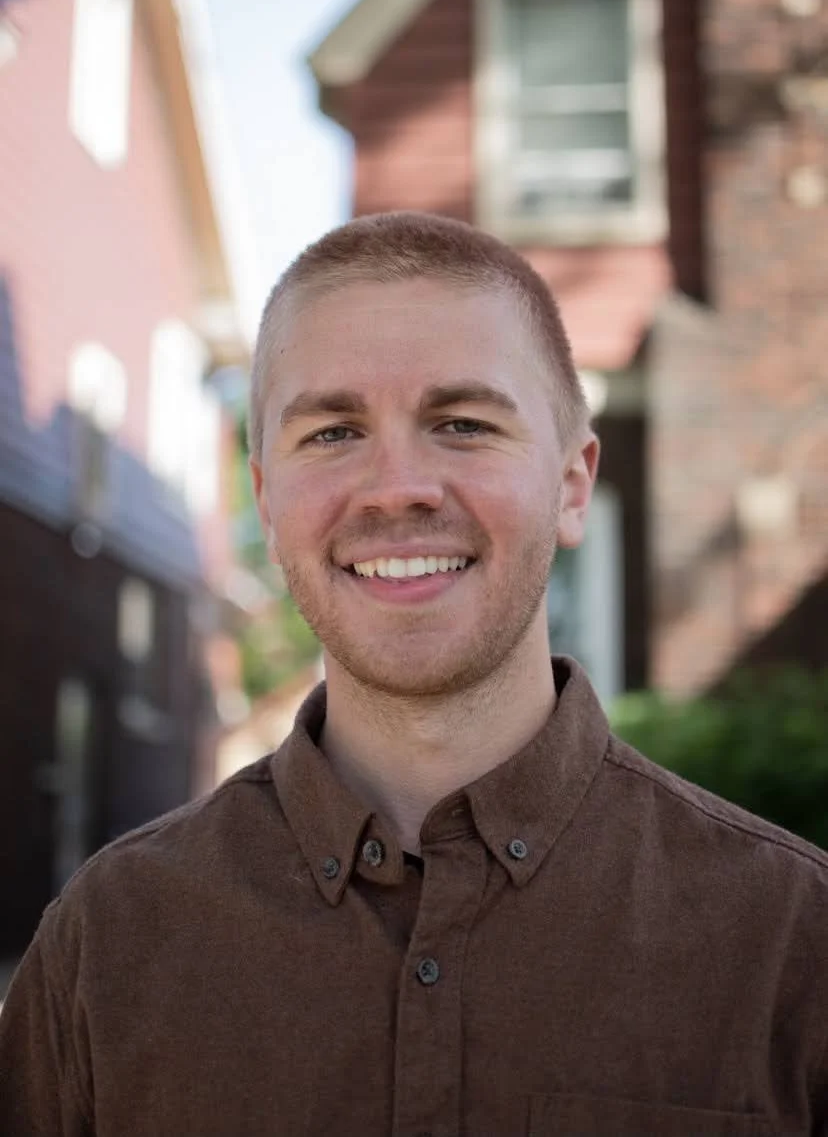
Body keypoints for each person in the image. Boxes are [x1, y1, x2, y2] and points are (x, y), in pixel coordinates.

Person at [1, 212, 826, 1136]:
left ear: (572, 484)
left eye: (463, 423)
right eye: (333, 432)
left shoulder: (793, 945)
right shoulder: (108, 945)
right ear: (266, 501)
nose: (397, 487)